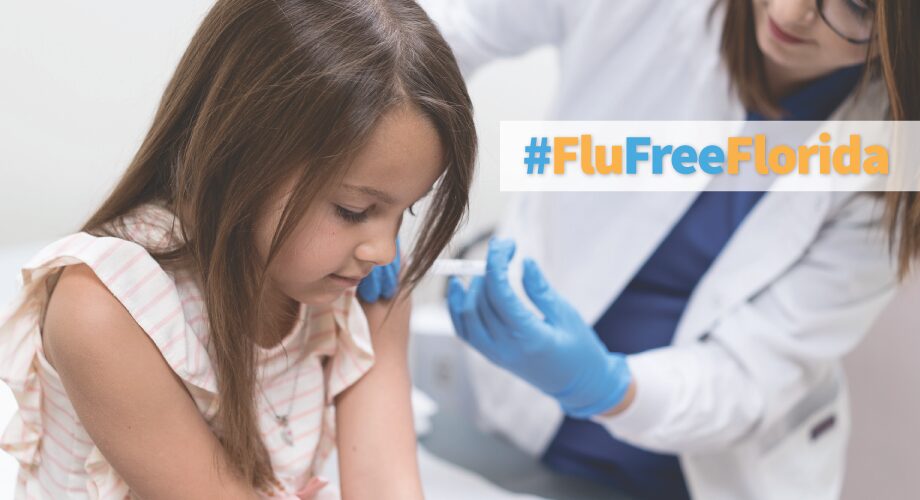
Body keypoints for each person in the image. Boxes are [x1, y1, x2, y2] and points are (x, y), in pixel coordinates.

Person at [426, 0, 917, 498]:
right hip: (512, 419)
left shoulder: (893, 161)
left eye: (854, 7)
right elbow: (434, 35)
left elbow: (749, 376)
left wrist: (606, 384)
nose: (791, 14)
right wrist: (362, 186)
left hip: (698, 469)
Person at [0, 0, 476, 498]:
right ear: (243, 161)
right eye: (354, 210)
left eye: (407, 211)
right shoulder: (105, 309)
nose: (383, 249)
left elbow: (386, 485)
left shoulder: (361, 288)